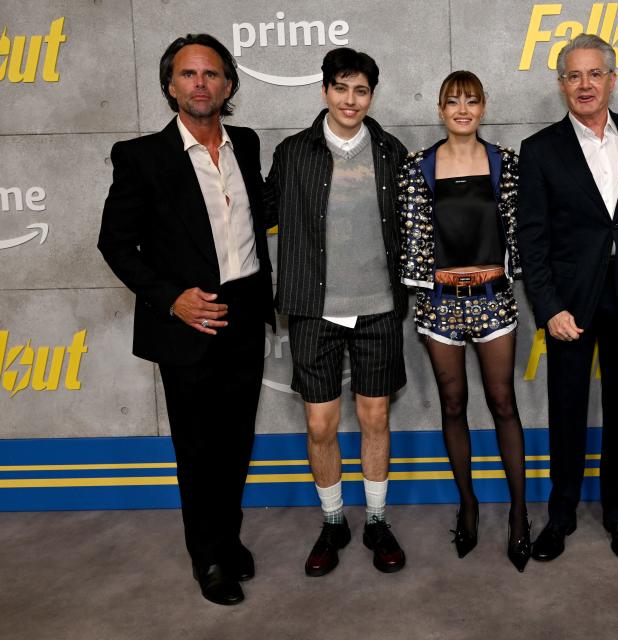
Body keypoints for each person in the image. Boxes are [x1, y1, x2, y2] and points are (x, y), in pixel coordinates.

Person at [98, 34, 275, 606]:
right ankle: (210, 558)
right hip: (187, 322)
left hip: (245, 312)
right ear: (170, 84)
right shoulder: (141, 156)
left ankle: (228, 536)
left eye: (212, 74)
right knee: (198, 448)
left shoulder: (246, 142)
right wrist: (171, 298)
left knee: (236, 442)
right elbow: (116, 243)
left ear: (229, 85)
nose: (201, 83)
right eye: (188, 74)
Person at [265, 48, 408, 576]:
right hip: (312, 310)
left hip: (378, 309)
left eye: (362, 90)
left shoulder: (392, 151)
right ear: (325, 91)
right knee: (321, 425)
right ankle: (332, 522)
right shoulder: (293, 152)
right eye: (342, 88)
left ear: (372, 95)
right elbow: (258, 214)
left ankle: (374, 518)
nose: (351, 100)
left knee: (375, 417)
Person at [517, 33, 618, 564]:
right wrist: (549, 307)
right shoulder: (539, 149)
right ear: (561, 85)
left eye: (594, 74)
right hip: (569, 305)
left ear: (612, 80)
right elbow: (532, 239)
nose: (584, 85)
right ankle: (561, 514)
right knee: (568, 412)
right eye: (573, 76)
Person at [398, 71, 530, 572]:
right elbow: (413, 238)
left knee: (502, 402)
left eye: (471, 100)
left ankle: (519, 516)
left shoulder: (505, 164)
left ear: (483, 107)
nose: (462, 109)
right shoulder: (419, 167)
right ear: (439, 108)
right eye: (453, 101)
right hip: (439, 304)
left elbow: (519, 231)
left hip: (495, 299)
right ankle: (469, 508)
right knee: (453, 404)